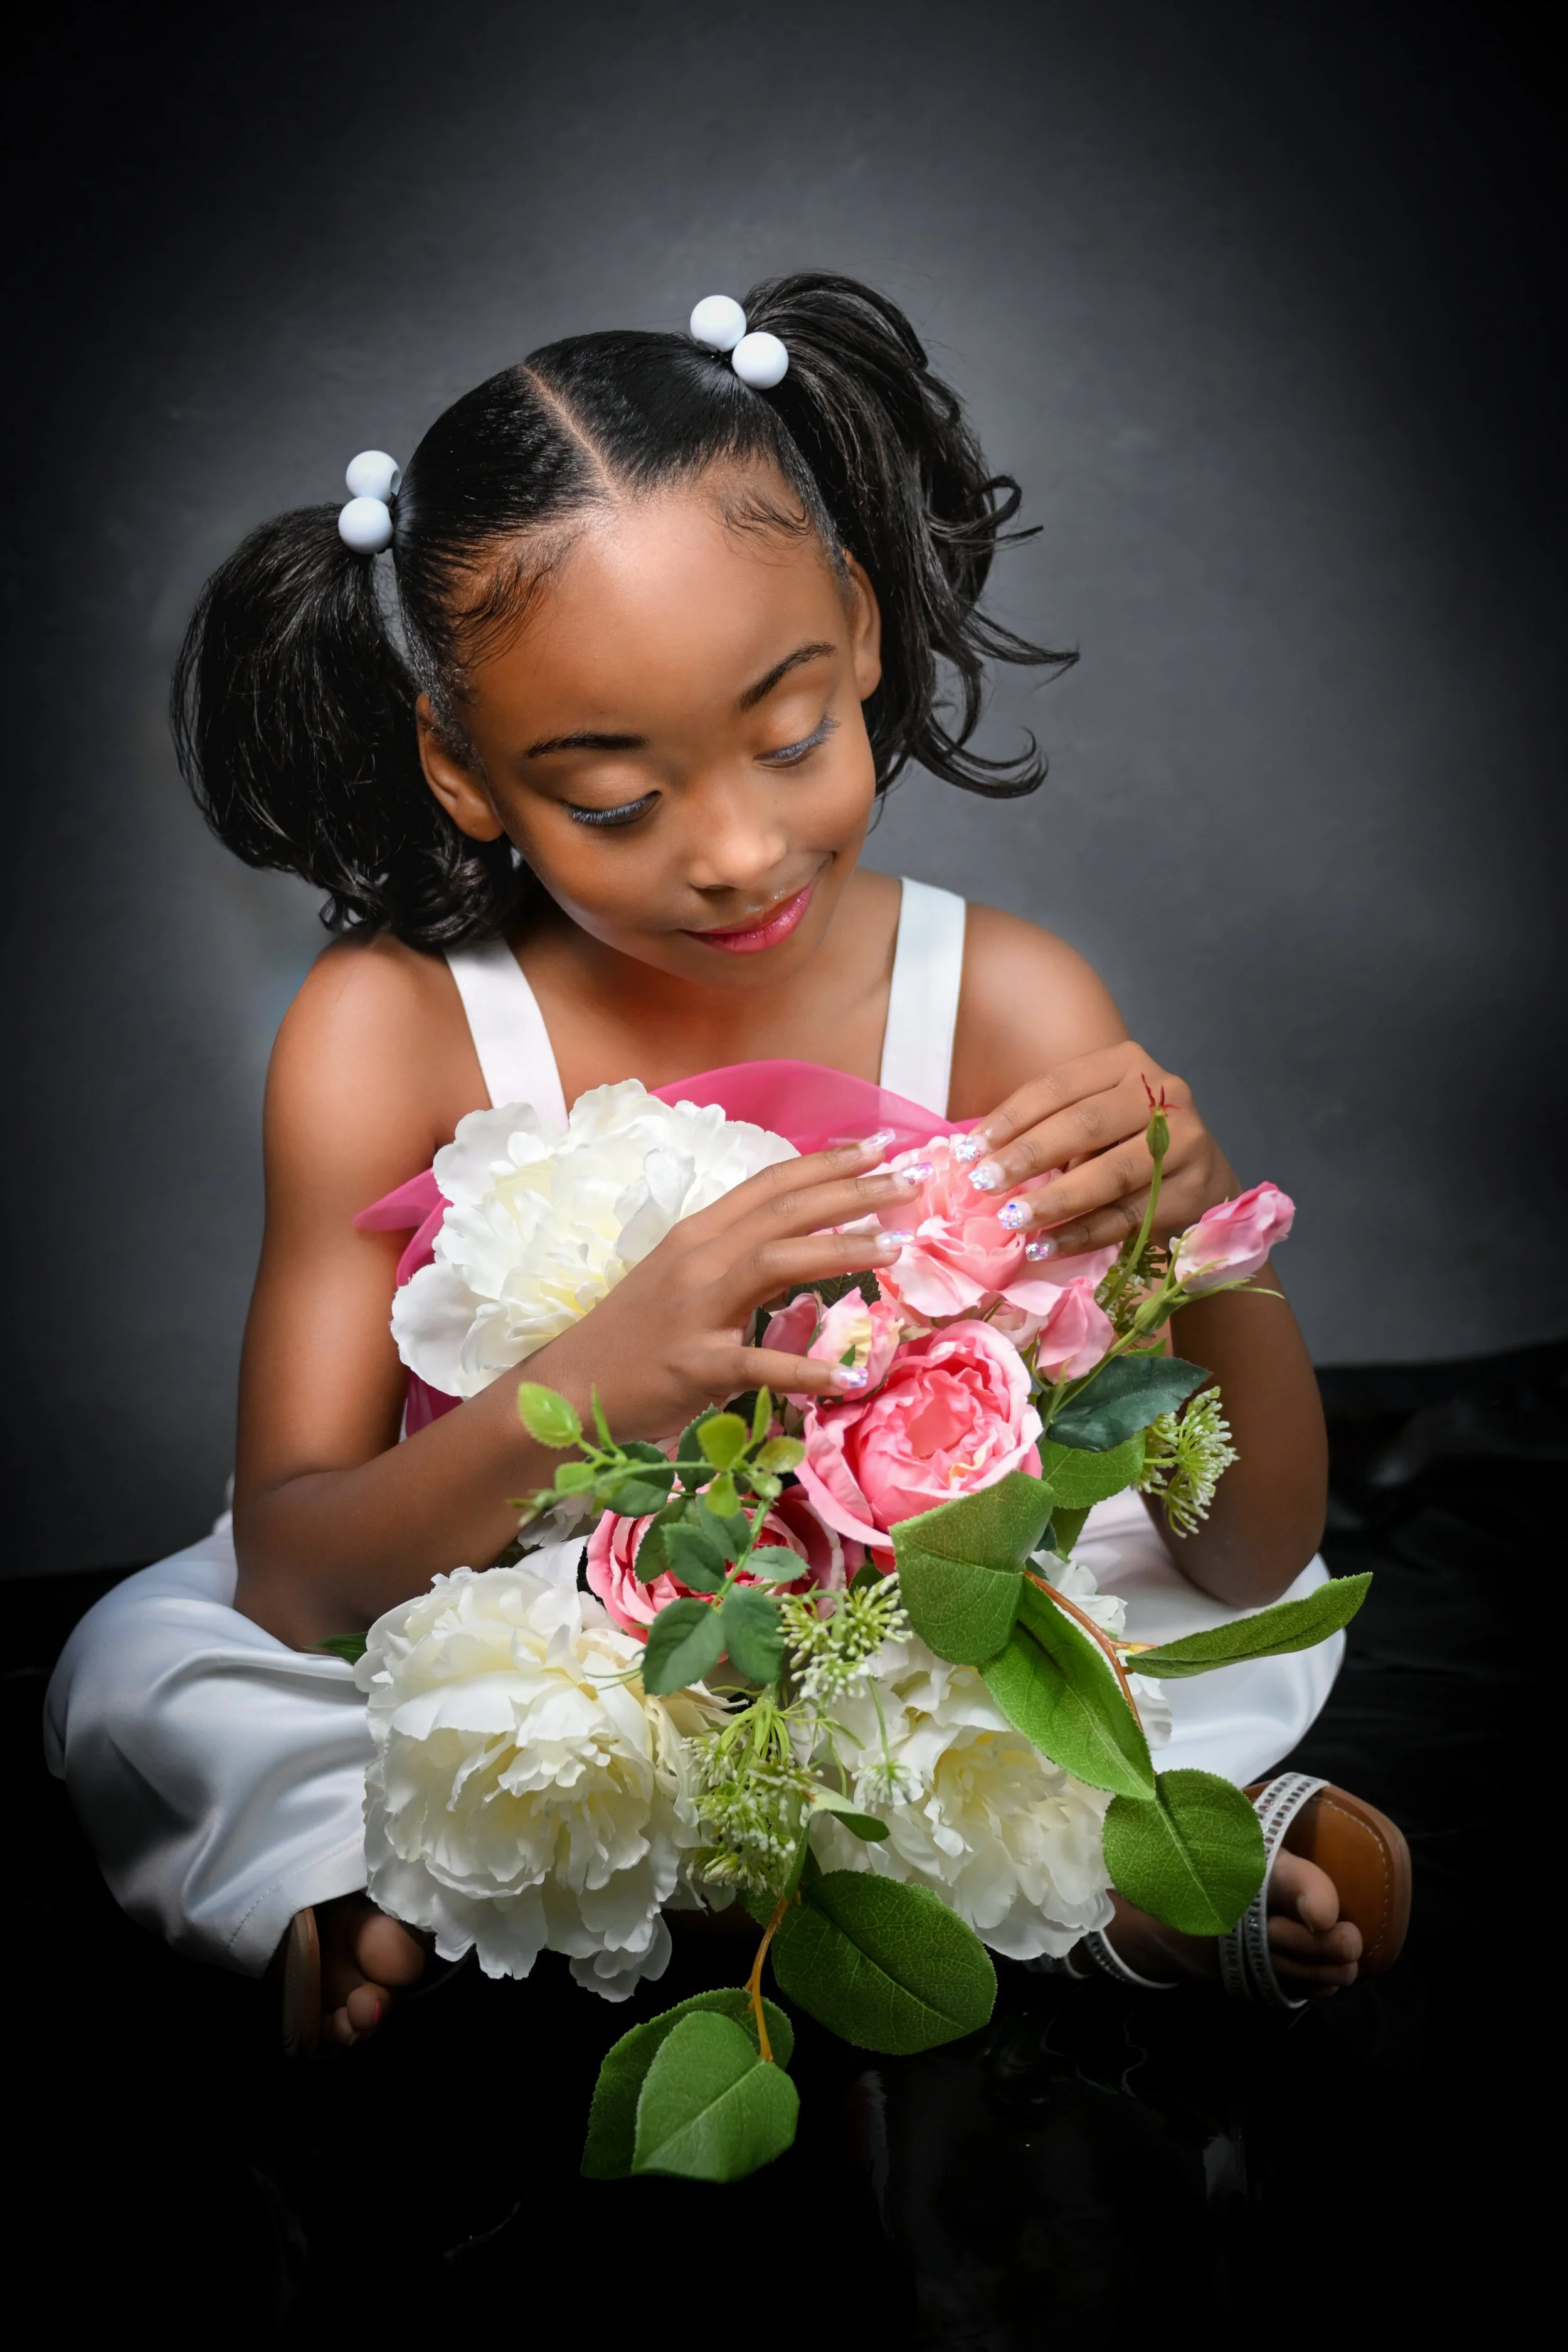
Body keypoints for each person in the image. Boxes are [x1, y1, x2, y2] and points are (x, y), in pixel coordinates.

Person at [46, 273, 1404, 2049]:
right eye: (613, 797)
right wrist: (592, 1378)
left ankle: (1127, 1883)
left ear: (852, 627)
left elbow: (1246, 1547)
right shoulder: (389, 1023)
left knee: (1112, 1631)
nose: (740, 849)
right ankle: (354, 1899)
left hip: (900, 1630)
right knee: (155, 1668)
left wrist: (1205, 1246)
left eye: (789, 736)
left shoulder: (1001, 996)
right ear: (462, 770)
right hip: (528, 1625)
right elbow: (300, 1573)